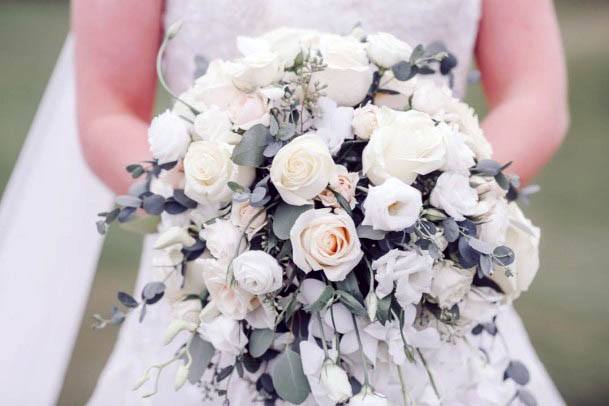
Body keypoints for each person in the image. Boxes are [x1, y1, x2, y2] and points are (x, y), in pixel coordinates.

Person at [70, 0, 566, 404]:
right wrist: (231, 210)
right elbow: (107, 111)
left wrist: (444, 196)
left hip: (425, 275)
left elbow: (535, 97)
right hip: (219, 276)